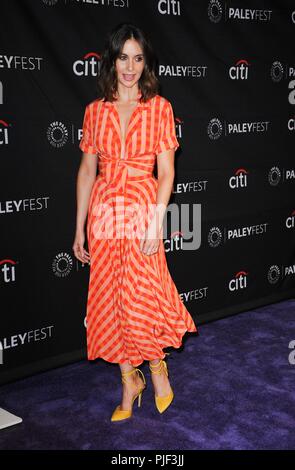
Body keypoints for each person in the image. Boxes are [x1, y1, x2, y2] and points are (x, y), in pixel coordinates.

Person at [73, 22, 198, 422]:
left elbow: (167, 172)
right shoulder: (95, 111)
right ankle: (129, 380)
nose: (130, 67)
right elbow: (87, 169)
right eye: (123, 57)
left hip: (143, 208)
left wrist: (156, 221)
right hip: (105, 209)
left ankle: (157, 366)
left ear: (146, 63)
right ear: (113, 61)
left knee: (144, 292)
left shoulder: (160, 108)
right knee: (111, 297)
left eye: (138, 58)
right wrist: (79, 225)